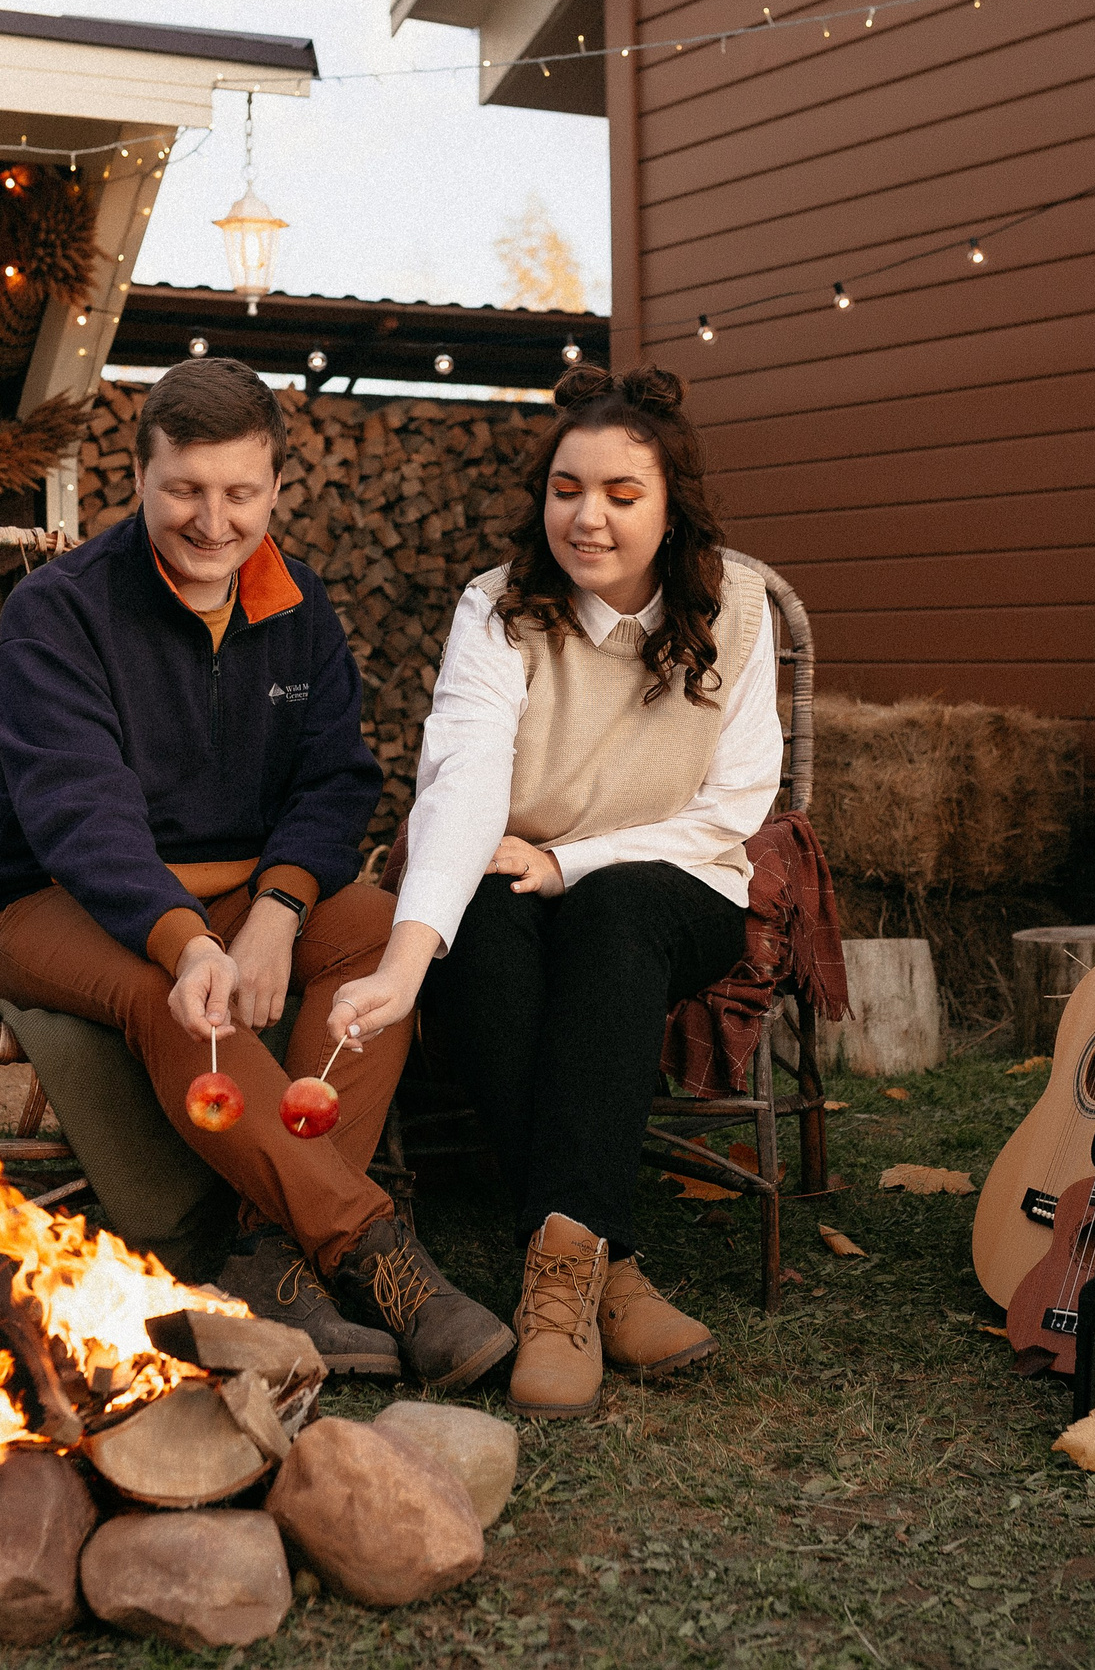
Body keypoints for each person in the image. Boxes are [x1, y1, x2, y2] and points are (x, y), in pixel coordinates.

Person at [0, 356, 512, 1390]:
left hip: (245, 891)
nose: (212, 520)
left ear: (273, 489)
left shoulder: (301, 610)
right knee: (176, 996)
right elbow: (83, 813)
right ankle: (374, 1255)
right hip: (63, 899)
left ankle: (270, 1254)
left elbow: (336, 781)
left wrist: (277, 907)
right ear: (138, 476)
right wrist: (190, 941)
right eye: (185, 489)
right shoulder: (61, 610)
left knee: (374, 932)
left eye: (239, 493)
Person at [327, 363, 780, 1418]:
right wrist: (408, 952)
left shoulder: (739, 607)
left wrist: (571, 862)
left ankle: (560, 1276)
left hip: (676, 877)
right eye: (567, 489)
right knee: (474, 932)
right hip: (512, 867)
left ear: (670, 508)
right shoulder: (498, 607)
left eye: (623, 494)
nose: (589, 517)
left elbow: (735, 801)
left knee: (614, 916)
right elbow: (462, 777)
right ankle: (591, 1269)